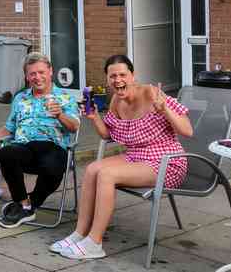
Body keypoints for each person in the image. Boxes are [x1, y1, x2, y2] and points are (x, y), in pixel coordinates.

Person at [52, 55, 193, 259]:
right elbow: (107, 135)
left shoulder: (152, 93)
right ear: (107, 79)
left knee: (107, 175)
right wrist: (94, 117)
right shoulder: (117, 101)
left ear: (133, 76)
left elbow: (187, 130)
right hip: (136, 156)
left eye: (122, 75)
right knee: (92, 169)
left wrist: (165, 111)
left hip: (166, 162)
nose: (118, 80)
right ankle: (79, 233)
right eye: (113, 76)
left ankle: (94, 243)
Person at [0, 52, 80, 228]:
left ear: (50, 71)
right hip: (24, 147)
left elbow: (74, 126)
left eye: (41, 72)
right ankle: (24, 205)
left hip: (52, 147)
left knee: (53, 166)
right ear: (26, 76)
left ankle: (28, 204)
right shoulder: (20, 98)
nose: (37, 77)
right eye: (32, 73)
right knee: (6, 152)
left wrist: (60, 114)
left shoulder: (65, 97)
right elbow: (10, 128)